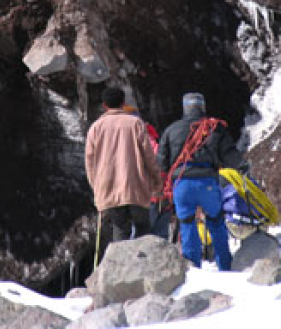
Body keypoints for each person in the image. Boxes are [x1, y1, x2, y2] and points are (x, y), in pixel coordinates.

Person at [159, 92, 244, 271]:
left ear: (185, 108)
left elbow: (162, 162)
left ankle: (193, 269)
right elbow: (230, 156)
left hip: (181, 184)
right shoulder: (214, 127)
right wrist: (242, 167)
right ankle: (225, 266)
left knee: (187, 224)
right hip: (207, 182)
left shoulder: (171, 130)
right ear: (202, 107)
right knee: (216, 222)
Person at [85, 87, 162, 255]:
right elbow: (149, 157)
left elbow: (90, 162)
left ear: (104, 106)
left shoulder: (96, 128)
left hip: (109, 188)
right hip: (136, 188)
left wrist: (96, 187)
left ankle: (122, 269)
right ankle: (142, 268)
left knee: (120, 229)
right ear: (123, 103)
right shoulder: (135, 124)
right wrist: (157, 182)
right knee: (143, 228)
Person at [123, 104, 171, 240]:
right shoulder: (151, 137)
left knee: (140, 239)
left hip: (147, 196)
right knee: (159, 239)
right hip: (161, 195)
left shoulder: (139, 139)